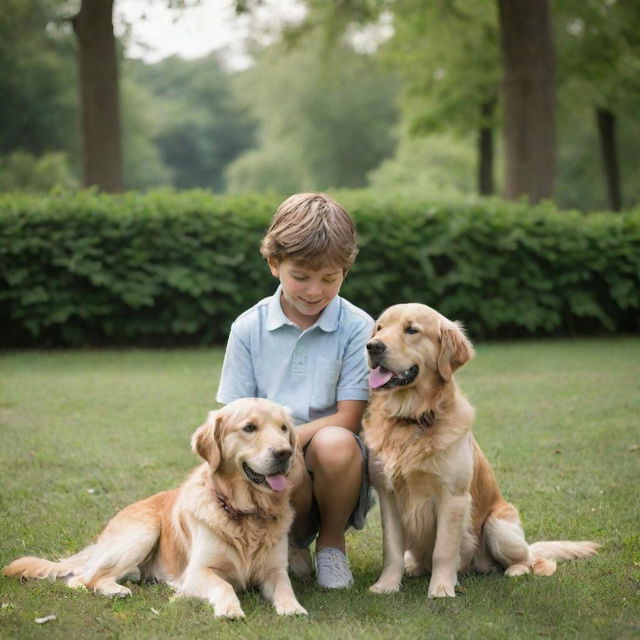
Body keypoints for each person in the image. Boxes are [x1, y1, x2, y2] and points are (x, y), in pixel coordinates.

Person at [216, 192, 373, 589]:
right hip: (268, 476)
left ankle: (332, 545)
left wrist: (287, 443)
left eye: (329, 279)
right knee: (282, 458)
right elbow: (237, 419)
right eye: (300, 276)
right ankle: (290, 544)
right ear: (274, 264)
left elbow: (350, 416)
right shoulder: (248, 328)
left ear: (346, 271)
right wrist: (275, 450)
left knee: (334, 442)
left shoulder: (358, 327)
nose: (314, 290)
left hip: (336, 468)